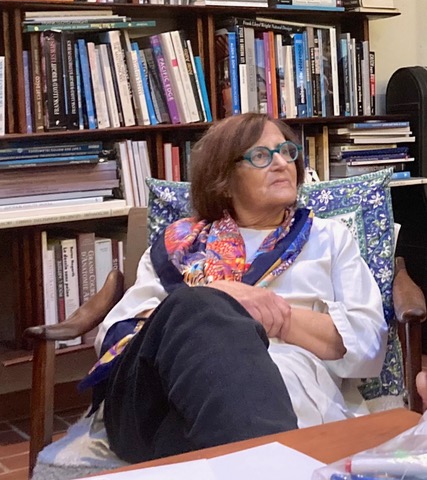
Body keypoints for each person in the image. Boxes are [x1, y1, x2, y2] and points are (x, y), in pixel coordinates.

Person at [81, 113, 387, 464]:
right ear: (224, 180)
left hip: (272, 395)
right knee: (195, 305)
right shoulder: (179, 246)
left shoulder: (329, 239)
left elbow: (367, 344)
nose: (281, 163)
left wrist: (275, 316)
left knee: (225, 400)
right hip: (151, 404)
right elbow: (117, 334)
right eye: (261, 156)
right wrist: (220, 298)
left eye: (287, 152)